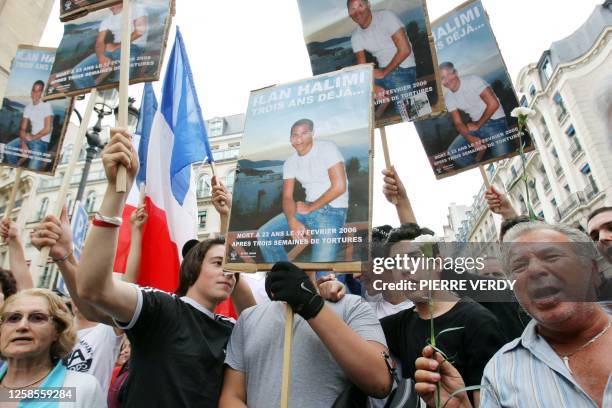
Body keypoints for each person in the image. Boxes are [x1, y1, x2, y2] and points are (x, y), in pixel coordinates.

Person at [76, 129, 345, 406]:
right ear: (193, 268)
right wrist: (115, 192)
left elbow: (259, 312)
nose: (228, 272)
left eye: (230, 266)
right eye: (218, 263)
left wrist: (323, 291)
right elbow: (93, 288)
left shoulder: (232, 329)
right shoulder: (160, 309)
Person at [414, 222, 612, 407]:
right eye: (519, 266)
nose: (534, 270)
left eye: (551, 257)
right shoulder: (499, 372)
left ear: (592, 270)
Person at [219, 261, 392, 407]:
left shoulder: (352, 306)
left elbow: (380, 382)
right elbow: (232, 396)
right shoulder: (249, 317)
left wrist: (311, 305)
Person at [378, 224, 506, 406]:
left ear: (438, 263)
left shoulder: (477, 321)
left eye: (413, 258)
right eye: (396, 263)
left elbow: (486, 401)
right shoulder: (397, 325)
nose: (404, 269)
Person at [257, 119, 349, 263]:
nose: (299, 139)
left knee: (322, 272)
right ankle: (286, 277)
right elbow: (287, 197)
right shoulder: (290, 162)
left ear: (313, 134)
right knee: (265, 235)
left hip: (332, 210)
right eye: (295, 135)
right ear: (290, 139)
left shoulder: (327, 148)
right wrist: (292, 220)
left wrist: (311, 207)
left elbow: (340, 186)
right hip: (306, 208)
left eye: (304, 133)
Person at [0, 288, 105, 407]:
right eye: (13, 318)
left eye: (37, 318)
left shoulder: (81, 389)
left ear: (58, 330)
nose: (22, 326)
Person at [347, 0, 417, 119]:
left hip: (404, 67)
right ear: (349, 13)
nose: (357, 12)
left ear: (368, 5)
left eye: (360, 6)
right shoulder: (356, 37)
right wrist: (373, 86)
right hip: (382, 73)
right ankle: (379, 108)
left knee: (406, 115)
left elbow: (405, 50)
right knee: (352, 91)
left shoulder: (386, 17)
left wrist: (384, 72)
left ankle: (386, 102)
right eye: (352, 9)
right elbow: (362, 68)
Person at [440, 62, 513, 168]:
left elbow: (493, 104)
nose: (447, 80)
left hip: (496, 120)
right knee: (454, 151)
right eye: (443, 78)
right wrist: (470, 138)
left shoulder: (472, 80)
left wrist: (478, 124)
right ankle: (482, 167)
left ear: (455, 73)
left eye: (449, 75)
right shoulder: (448, 97)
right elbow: (458, 122)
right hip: (475, 126)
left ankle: (490, 157)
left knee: (504, 162)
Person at [72, 3, 147, 89]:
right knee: (77, 72)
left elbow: (140, 31)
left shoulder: (136, 8)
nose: (111, 5)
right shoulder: (107, 20)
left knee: (121, 82)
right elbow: (99, 41)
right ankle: (93, 91)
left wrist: (117, 46)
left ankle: (125, 99)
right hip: (113, 48)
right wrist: (101, 57)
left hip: (133, 46)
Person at [4, 80, 53, 171]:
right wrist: (23, 144)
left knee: (32, 170)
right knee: (8, 148)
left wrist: (32, 137)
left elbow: (47, 129)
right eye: (33, 90)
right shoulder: (28, 108)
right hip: (29, 138)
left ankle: (23, 162)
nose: (35, 93)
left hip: (41, 142)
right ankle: (14, 169)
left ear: (42, 93)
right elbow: (22, 128)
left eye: (38, 91)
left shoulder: (46, 106)